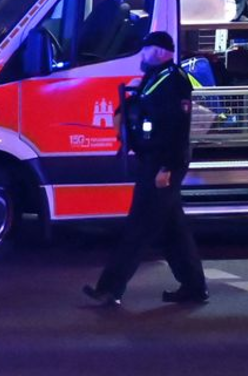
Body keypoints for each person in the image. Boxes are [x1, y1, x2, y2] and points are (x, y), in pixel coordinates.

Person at [83, 30, 207, 308]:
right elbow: (138, 101)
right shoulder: (155, 77)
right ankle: (194, 287)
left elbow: (178, 129)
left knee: (139, 227)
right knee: (174, 230)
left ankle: (110, 289)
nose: (143, 54)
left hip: (163, 162)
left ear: (162, 52)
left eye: (147, 49)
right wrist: (121, 112)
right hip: (153, 159)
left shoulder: (174, 81)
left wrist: (167, 168)